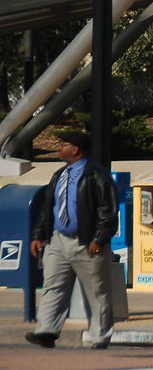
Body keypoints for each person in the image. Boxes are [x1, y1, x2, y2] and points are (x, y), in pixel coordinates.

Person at [25, 130, 118, 350]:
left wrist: (99, 238)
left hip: (86, 243)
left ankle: (100, 336)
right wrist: (38, 235)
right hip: (58, 240)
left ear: (75, 149)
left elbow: (108, 210)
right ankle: (46, 331)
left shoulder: (96, 174)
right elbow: (49, 208)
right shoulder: (59, 175)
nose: (60, 148)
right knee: (53, 286)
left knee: (97, 291)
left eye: (63, 144)